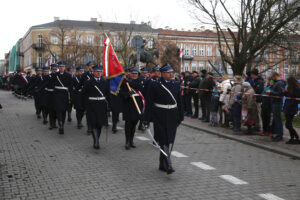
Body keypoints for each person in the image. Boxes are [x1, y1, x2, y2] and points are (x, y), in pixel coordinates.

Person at [144, 64, 184, 174]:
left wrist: (181, 116)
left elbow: (179, 101)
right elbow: (149, 102)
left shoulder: (176, 84)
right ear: (162, 73)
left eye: (172, 72)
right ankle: (169, 164)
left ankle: (162, 164)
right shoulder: (155, 85)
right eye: (168, 72)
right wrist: (146, 118)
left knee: (169, 139)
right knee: (163, 139)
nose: (171, 74)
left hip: (172, 115)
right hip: (160, 115)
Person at [82, 65, 109, 149]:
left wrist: (108, 106)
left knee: (100, 124)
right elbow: (84, 94)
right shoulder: (88, 82)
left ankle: (97, 139)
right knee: (93, 123)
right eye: (97, 71)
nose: (98, 73)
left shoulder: (105, 82)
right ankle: (96, 141)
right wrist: (85, 105)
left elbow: (108, 95)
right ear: (93, 72)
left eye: (100, 72)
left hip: (101, 105)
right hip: (92, 105)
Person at [119, 67, 144, 150]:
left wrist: (129, 82)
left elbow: (139, 87)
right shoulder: (124, 82)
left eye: (136, 74)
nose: (134, 75)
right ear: (129, 74)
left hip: (137, 105)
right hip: (128, 105)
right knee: (128, 124)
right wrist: (127, 94)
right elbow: (120, 93)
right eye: (133, 73)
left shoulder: (139, 81)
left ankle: (131, 140)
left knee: (134, 124)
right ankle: (127, 141)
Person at [49, 61, 73, 135]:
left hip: (65, 95)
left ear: (65, 67)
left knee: (63, 111)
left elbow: (70, 87)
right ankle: (60, 125)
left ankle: (62, 122)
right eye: (60, 67)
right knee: (58, 110)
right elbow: (51, 84)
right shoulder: (54, 75)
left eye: (63, 66)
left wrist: (71, 97)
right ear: (58, 67)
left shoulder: (68, 75)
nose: (62, 68)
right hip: (57, 95)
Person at [266, 72, 286, 142]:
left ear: (275, 76)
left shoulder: (279, 83)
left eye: (272, 77)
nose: (271, 79)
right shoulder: (277, 83)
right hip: (275, 103)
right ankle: (278, 134)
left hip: (277, 103)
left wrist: (270, 92)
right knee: (276, 120)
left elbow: (280, 94)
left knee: (278, 120)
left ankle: (279, 136)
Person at [283, 76, 300, 144]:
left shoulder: (297, 88)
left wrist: (291, 104)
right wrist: (285, 92)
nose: (287, 83)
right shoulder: (290, 88)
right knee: (288, 124)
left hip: (291, 108)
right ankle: (292, 138)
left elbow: (297, 99)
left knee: (288, 124)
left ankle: (297, 137)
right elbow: (288, 96)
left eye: (288, 82)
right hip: (287, 107)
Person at [81, 61, 95, 135]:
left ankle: (94, 127)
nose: (92, 67)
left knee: (95, 113)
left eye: (93, 65)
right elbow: (80, 85)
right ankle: (89, 127)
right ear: (88, 67)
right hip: (88, 97)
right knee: (89, 113)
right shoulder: (84, 75)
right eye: (90, 65)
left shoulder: (97, 74)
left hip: (96, 97)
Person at [47, 64, 58, 130]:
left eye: (55, 69)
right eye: (53, 69)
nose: (54, 71)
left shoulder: (58, 76)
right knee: (51, 110)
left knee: (56, 110)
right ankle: (51, 124)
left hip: (57, 95)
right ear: (51, 70)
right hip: (50, 95)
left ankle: (54, 123)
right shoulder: (48, 76)